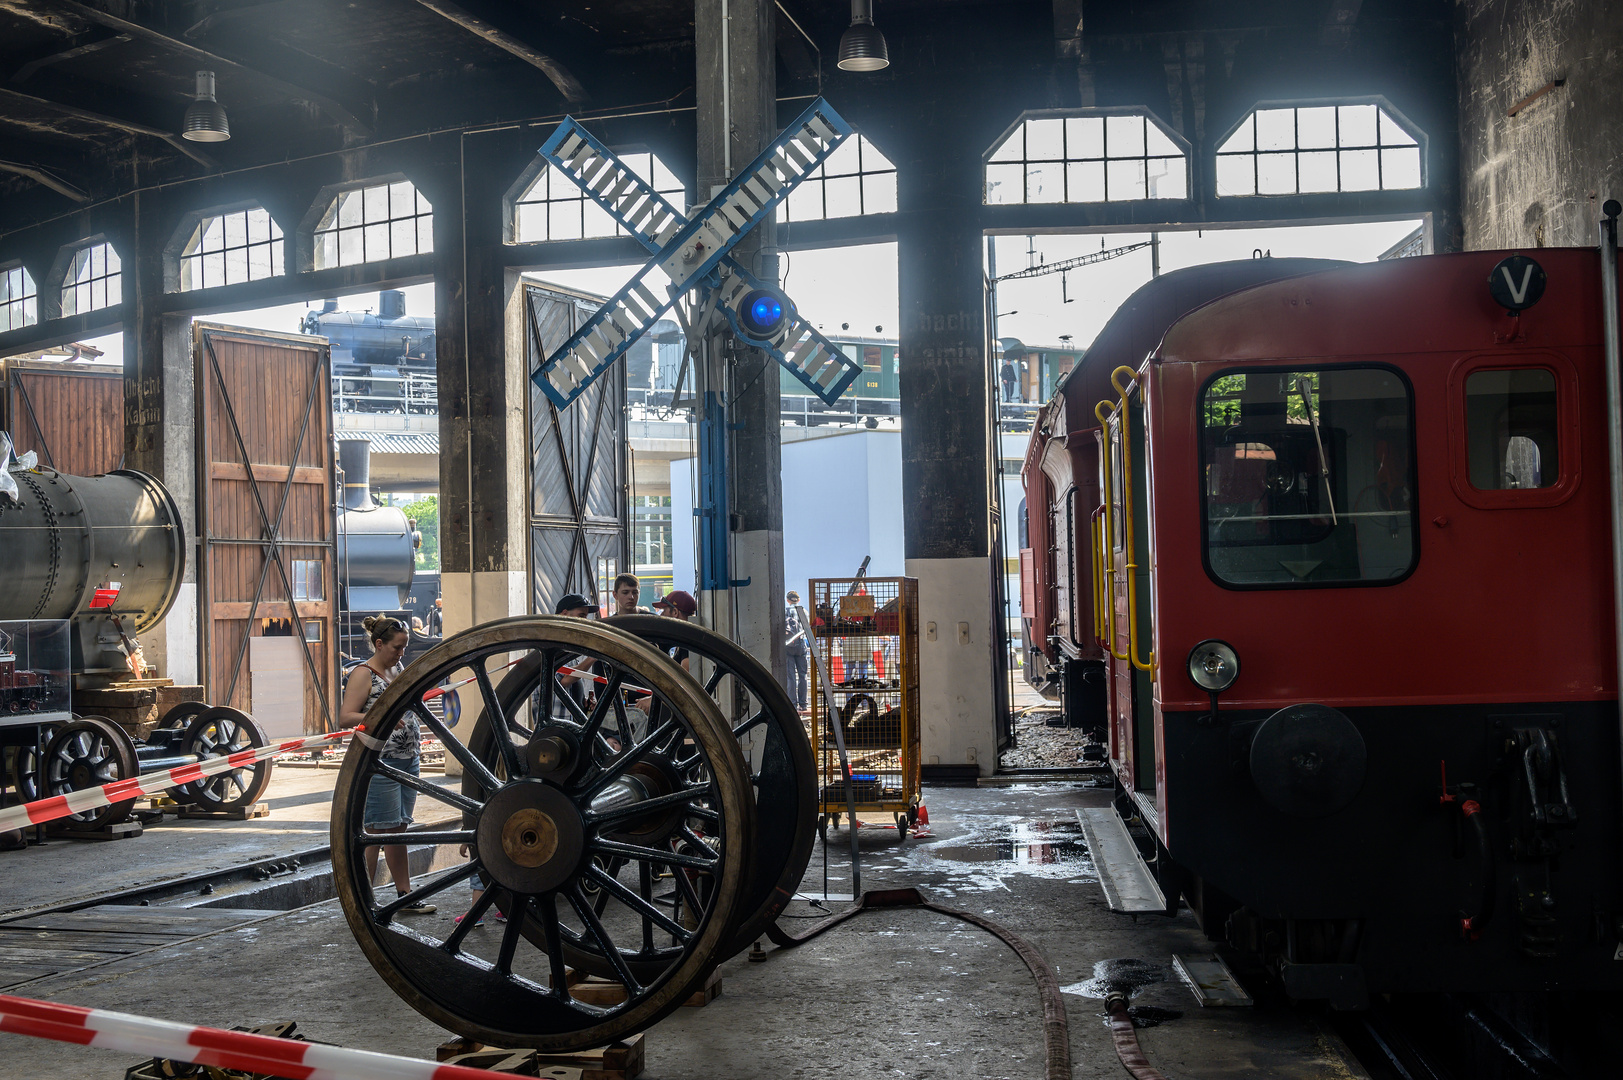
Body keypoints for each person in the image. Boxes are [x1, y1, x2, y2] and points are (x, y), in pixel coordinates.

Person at [340, 615, 434, 914]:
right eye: (396, 647)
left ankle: (404, 894)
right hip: (381, 763)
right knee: (376, 831)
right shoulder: (362, 674)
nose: (401, 652)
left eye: (404, 647)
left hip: (408, 760)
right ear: (379, 644)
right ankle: (361, 900)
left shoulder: (397, 669)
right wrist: (379, 719)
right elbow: (346, 717)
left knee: (399, 830)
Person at [785, 591, 809, 712]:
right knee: (803, 675)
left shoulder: (785, 611)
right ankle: (803, 704)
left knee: (790, 676)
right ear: (798, 600)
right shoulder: (804, 612)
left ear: (788, 600)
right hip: (801, 646)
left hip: (788, 646)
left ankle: (792, 704)